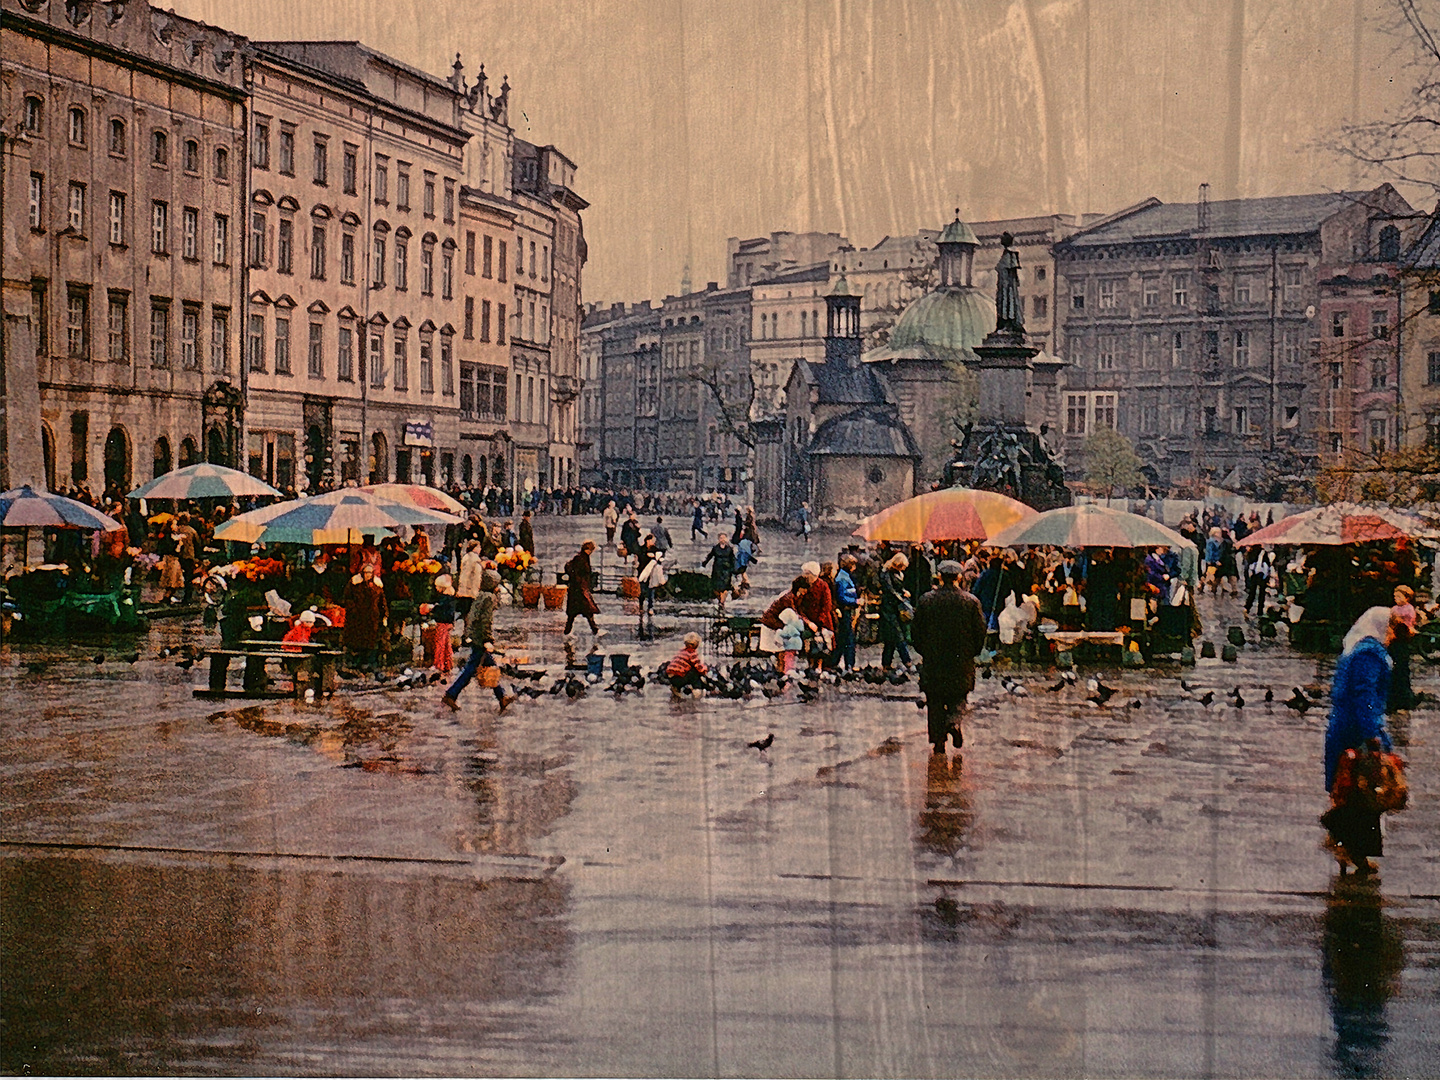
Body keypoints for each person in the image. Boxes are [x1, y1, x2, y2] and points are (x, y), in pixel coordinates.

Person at [1323, 607, 1401, 875]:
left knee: (1349, 789)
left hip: (1346, 726)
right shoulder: (1369, 653)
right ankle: (1351, 849)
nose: (1392, 633)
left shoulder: (1357, 648)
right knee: (1364, 793)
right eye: (1390, 626)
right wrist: (1372, 734)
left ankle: (1342, 843)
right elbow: (1364, 695)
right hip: (1356, 731)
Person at [912, 560, 988, 754]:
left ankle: (938, 742)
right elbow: (980, 632)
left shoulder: (926, 600)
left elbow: (916, 632)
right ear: (959, 577)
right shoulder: (971, 602)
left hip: (934, 660)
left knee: (935, 700)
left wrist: (925, 650)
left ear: (939, 577)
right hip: (961, 660)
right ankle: (954, 722)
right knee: (959, 696)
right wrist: (972, 652)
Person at [443, 569, 514, 711]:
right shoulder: (489, 598)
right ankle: (451, 694)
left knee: (489, 666)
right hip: (481, 638)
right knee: (471, 669)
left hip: (475, 635)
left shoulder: (480, 595)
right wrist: (487, 639)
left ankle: (502, 697)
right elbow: (485, 620)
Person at [343, 563, 389, 675]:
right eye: (366, 572)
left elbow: (382, 601)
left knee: (372, 640)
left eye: (370, 573)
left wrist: (385, 615)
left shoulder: (377, 586)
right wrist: (353, 610)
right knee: (357, 640)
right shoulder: (354, 584)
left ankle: (369, 662)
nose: (368, 575)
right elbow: (347, 598)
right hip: (358, 617)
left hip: (373, 617)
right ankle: (356, 662)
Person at [878, 552, 913, 671]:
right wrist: (901, 599)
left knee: (891, 639)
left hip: (895, 608)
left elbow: (896, 588)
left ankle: (886, 663)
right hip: (889, 609)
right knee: (898, 636)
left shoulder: (896, 573)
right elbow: (890, 590)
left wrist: (903, 591)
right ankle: (907, 660)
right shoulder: (886, 574)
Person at [1389, 585, 1419, 712]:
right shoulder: (1394, 608)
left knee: (1401, 667)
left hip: (1402, 638)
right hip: (1393, 639)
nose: (1396, 598)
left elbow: (1407, 624)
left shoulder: (1409, 609)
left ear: (1407, 598)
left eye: (1399, 596)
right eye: (1395, 596)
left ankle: (1404, 698)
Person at [564, 541, 602, 636]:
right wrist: (579, 581)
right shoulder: (581, 558)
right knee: (586, 611)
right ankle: (594, 630)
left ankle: (568, 631)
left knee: (576, 613)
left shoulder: (582, 557)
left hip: (578, 589)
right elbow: (574, 570)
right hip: (579, 589)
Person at [420, 574, 457, 674]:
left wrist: (432, 609)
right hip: (448, 623)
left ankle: (438, 664)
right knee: (446, 644)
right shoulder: (451, 597)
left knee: (439, 644)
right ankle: (448, 663)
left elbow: (441, 610)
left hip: (443, 622)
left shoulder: (445, 598)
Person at [830, 554, 860, 671]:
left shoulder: (845, 576)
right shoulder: (843, 578)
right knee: (848, 639)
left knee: (843, 639)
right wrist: (856, 601)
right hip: (845, 612)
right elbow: (842, 597)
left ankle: (835, 662)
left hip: (848, 611)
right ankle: (849, 664)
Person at [703, 532, 737, 607]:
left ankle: (722, 603)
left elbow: (733, 559)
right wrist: (704, 563)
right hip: (717, 570)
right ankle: (720, 600)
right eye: (721, 538)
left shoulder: (730, 549)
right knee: (716, 588)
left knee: (725, 587)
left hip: (727, 571)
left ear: (726, 539)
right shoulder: (715, 548)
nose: (722, 539)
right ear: (718, 539)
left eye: (724, 538)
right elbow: (710, 556)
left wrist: (734, 569)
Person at [455, 539, 483, 623]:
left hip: (467, 588)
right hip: (470, 590)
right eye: (479, 547)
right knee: (468, 612)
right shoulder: (473, 559)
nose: (480, 549)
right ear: (474, 548)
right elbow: (471, 575)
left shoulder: (468, 557)